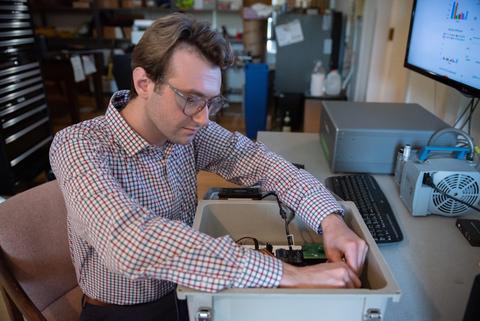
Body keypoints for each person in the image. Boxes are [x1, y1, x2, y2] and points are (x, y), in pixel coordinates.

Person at [49, 13, 368, 321]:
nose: (204, 118)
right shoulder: (78, 146)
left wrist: (330, 220)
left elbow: (263, 163)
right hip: (124, 311)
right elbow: (130, 243)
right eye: (190, 98)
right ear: (144, 83)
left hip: (191, 289)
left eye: (212, 102)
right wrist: (289, 275)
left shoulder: (188, 131)